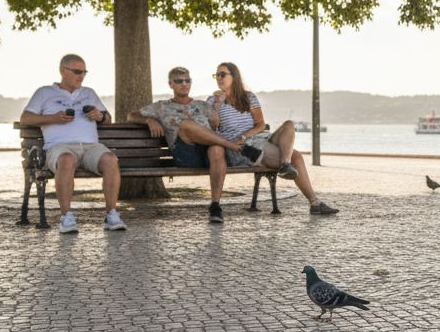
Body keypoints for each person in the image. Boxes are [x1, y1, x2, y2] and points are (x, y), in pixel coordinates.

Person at [128, 66, 266, 224]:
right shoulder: (161, 106)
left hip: (207, 151)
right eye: (179, 81)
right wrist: (149, 120)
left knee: (216, 148)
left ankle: (215, 206)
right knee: (187, 124)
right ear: (170, 84)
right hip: (185, 154)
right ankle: (238, 148)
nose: (184, 84)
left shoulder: (202, 105)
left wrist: (217, 105)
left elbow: (215, 124)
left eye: (188, 80)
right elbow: (131, 115)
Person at [206, 62, 338, 215]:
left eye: (223, 74)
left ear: (234, 77)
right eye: (216, 75)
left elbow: (260, 125)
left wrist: (245, 134)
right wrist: (217, 104)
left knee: (289, 125)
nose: (219, 78)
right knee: (296, 156)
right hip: (243, 148)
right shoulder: (212, 100)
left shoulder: (248, 97)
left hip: (258, 137)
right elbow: (213, 126)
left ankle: (286, 165)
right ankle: (314, 202)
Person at [19, 54, 126, 233]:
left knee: (110, 159)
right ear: (63, 70)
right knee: (67, 159)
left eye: (84, 72)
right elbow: (25, 117)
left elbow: (107, 118)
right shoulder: (44, 92)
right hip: (60, 147)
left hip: (91, 146)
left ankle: (111, 215)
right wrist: (52, 118)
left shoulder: (89, 93)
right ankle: (66, 217)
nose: (81, 76)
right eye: (77, 71)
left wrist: (100, 116)